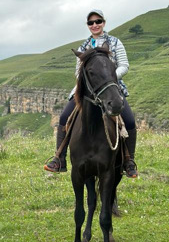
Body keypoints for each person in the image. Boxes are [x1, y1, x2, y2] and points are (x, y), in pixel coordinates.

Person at [44, 9, 138, 178]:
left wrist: (108, 78)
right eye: (91, 22)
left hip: (110, 87)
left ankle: (128, 161)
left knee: (129, 120)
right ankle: (59, 158)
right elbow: (78, 72)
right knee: (65, 117)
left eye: (98, 21)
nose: (95, 25)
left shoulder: (116, 43)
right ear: (88, 25)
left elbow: (124, 65)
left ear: (104, 22)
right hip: (88, 90)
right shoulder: (83, 47)